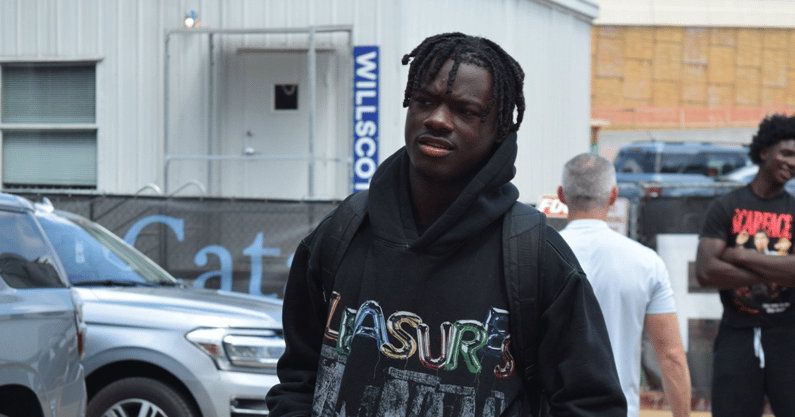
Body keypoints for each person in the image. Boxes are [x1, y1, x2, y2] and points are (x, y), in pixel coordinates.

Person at [265, 33, 626, 417]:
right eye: (424, 101)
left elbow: (591, 404)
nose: (437, 119)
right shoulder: (344, 230)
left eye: (465, 111)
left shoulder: (533, 255)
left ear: (500, 130)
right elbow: (299, 377)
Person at [557, 153, 692, 417]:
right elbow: (672, 355)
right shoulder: (646, 262)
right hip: (619, 410)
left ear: (561, 196)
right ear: (613, 196)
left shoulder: (537, 255)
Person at [695, 113, 795, 417]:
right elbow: (706, 271)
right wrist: (778, 269)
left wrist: (741, 255)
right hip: (736, 336)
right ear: (764, 152)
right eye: (786, 153)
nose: (792, 163)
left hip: (788, 338)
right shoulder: (727, 206)